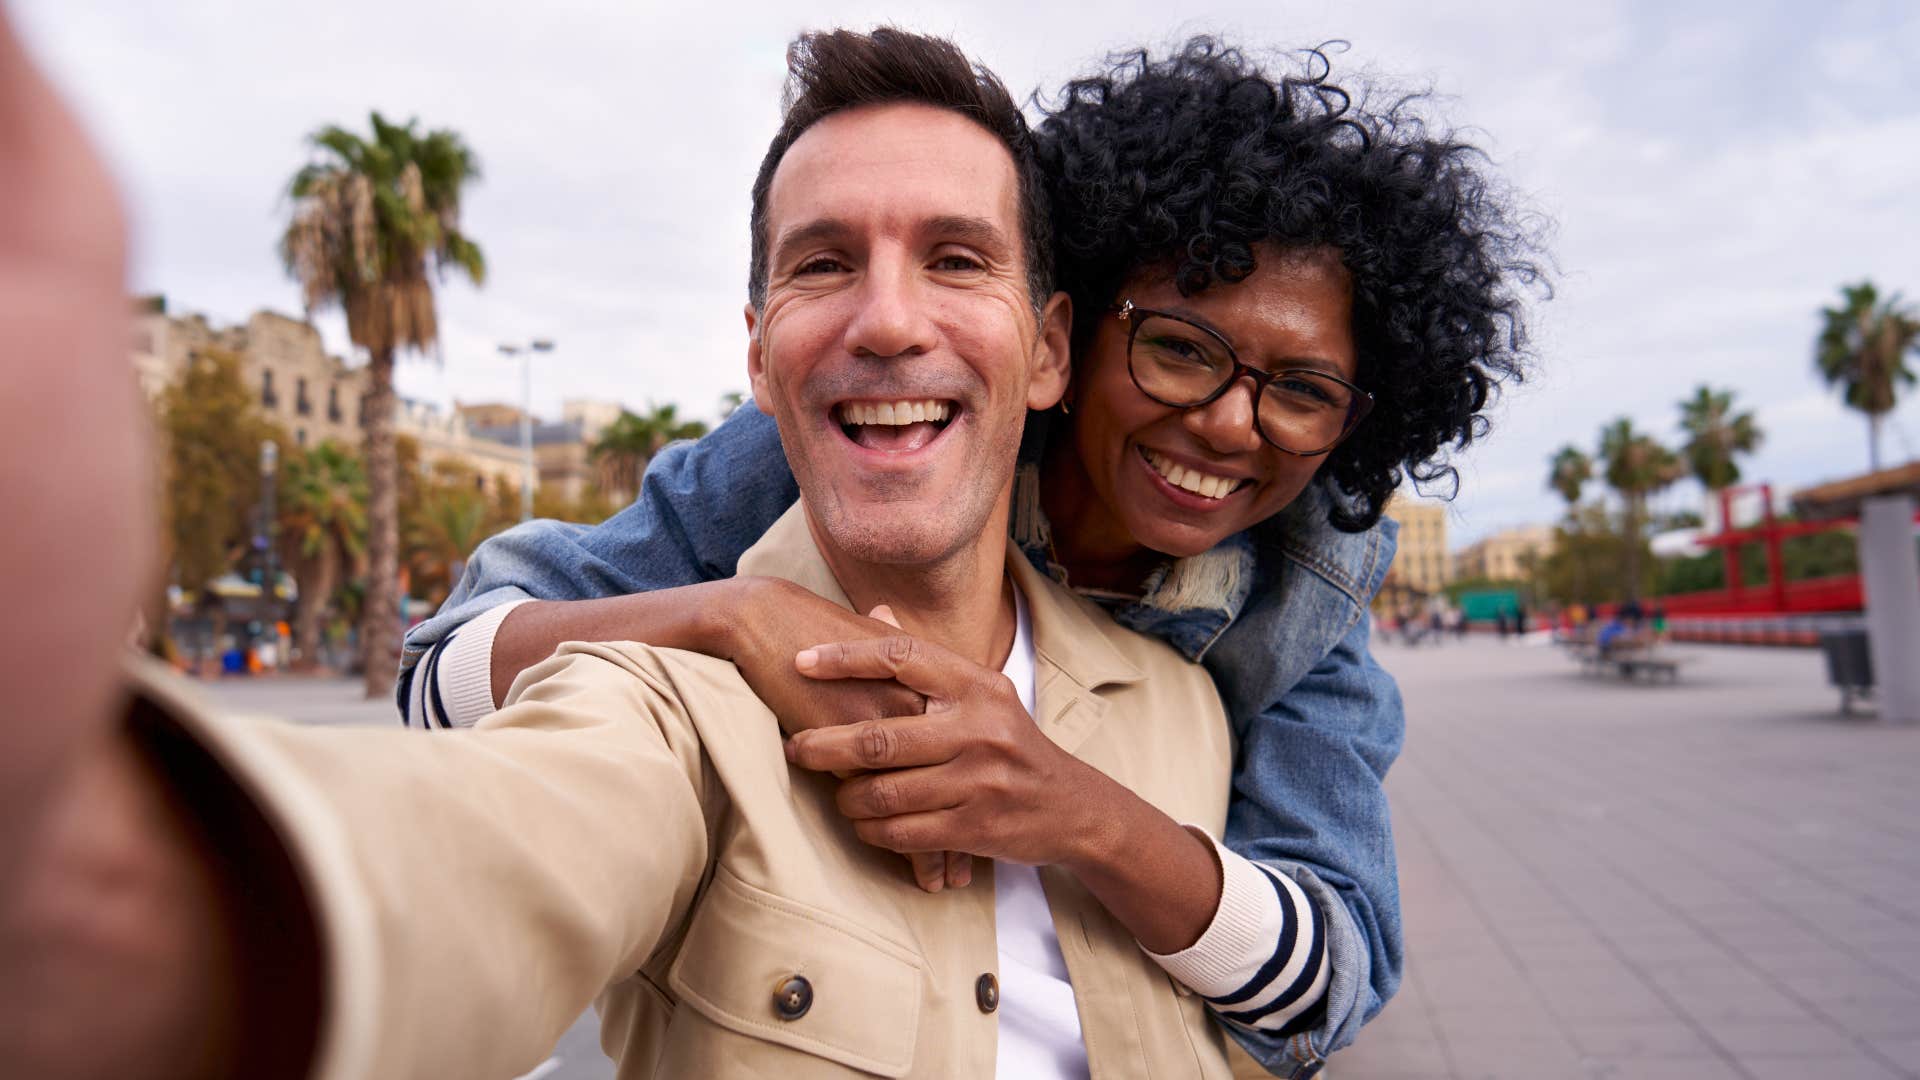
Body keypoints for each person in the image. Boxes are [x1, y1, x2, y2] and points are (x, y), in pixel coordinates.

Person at [0, 25, 1312, 1080]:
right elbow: (484, 858)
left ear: (1046, 351)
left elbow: (1307, 987)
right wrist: (103, 894)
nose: (889, 319)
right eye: (823, 264)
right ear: (757, 353)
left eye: (957, 259)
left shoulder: (1188, 709)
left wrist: (1096, 825)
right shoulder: (663, 697)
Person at [401, 38, 1541, 1072]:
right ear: (1071, 335)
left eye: (1301, 391)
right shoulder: (866, 427)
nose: (1234, 425)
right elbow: (440, 682)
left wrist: (1081, 814)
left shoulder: (1306, 593)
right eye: (1185, 352)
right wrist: (727, 615)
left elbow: (1332, 975)